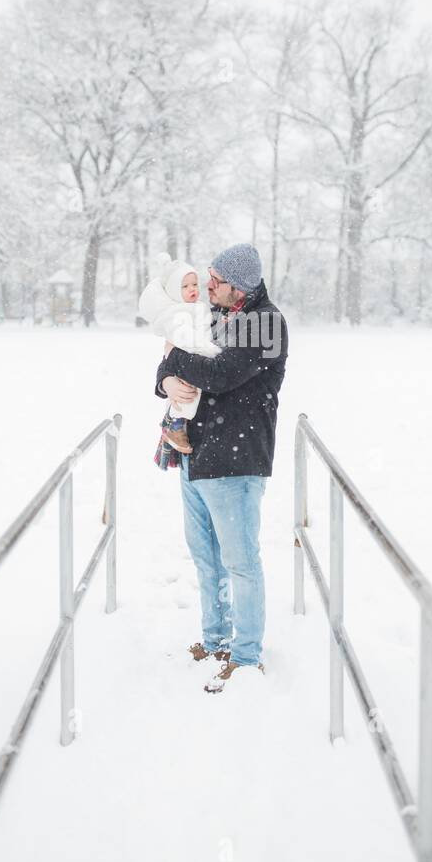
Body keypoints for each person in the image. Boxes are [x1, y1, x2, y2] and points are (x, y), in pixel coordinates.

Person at [154, 243, 288, 694]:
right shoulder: (212, 316)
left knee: (240, 562)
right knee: (206, 559)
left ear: (241, 286)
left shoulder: (265, 323)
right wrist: (166, 379)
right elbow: (175, 362)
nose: (207, 285)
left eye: (216, 280)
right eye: (207, 277)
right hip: (196, 454)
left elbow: (220, 374)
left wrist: (172, 361)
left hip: (237, 460)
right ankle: (215, 641)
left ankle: (246, 656)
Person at [137, 253, 220, 465]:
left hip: (195, 362)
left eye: (194, 284)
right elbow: (185, 341)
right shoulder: (179, 314)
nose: (193, 289)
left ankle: (175, 423)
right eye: (185, 287)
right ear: (174, 291)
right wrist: (211, 352)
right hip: (194, 360)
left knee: (189, 391)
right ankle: (175, 424)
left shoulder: (201, 309)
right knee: (186, 394)